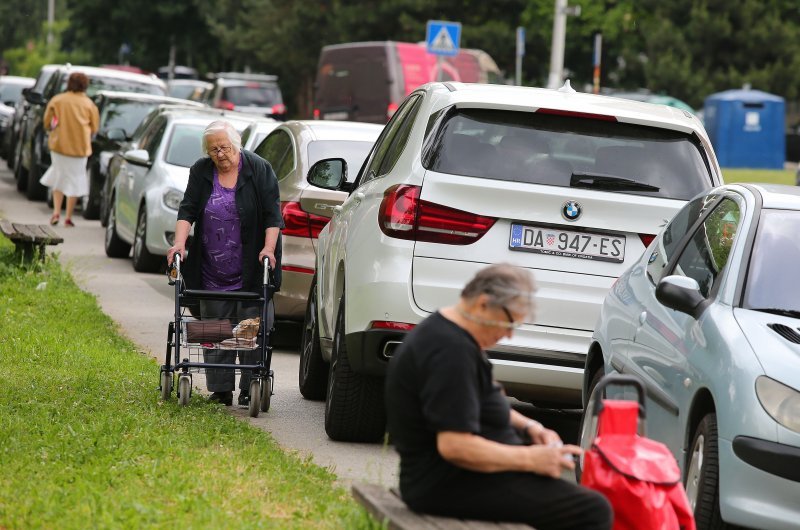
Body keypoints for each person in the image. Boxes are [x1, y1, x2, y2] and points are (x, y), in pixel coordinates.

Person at [385, 263, 613, 530]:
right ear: (483, 304)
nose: (509, 333)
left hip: (460, 478)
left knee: (577, 499)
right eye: (509, 321)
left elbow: (481, 397)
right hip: (447, 484)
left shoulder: (450, 333)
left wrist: (531, 427)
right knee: (594, 510)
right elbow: (455, 446)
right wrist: (531, 460)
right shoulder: (451, 353)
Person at [166, 120, 283, 407]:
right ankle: (220, 391)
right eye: (213, 149)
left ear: (237, 144)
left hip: (251, 269)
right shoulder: (201, 170)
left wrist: (268, 248)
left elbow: (272, 214)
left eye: (224, 147)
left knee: (250, 328)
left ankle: (249, 385)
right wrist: (179, 243)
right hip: (211, 271)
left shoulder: (258, 169)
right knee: (215, 330)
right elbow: (188, 208)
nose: (219, 154)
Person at [40, 71, 99, 227]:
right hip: (80, 149)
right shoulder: (89, 104)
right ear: (85, 85)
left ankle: (56, 212)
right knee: (75, 180)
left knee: (59, 176)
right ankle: (68, 217)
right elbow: (95, 127)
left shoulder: (57, 100)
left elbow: (46, 122)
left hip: (59, 146)